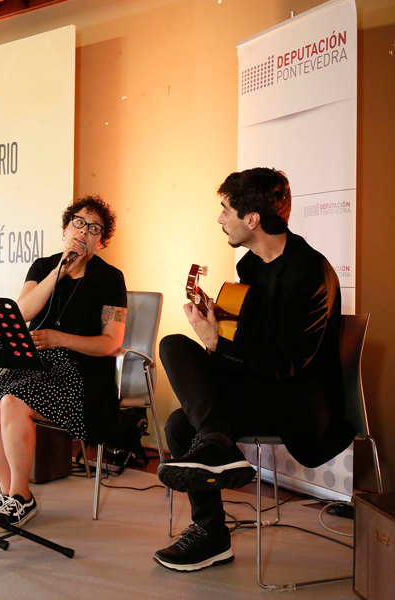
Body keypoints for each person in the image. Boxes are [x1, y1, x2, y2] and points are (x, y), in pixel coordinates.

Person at [153, 168, 355, 572]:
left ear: (252, 219)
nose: (220, 218)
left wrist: (217, 343)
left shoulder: (311, 273)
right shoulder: (251, 267)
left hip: (297, 400)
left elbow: (287, 365)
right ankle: (216, 462)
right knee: (173, 345)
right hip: (257, 384)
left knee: (181, 426)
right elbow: (250, 344)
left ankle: (212, 525)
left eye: (225, 210)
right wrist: (220, 324)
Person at [0, 196, 127, 531]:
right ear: (65, 229)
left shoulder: (110, 278)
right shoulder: (44, 267)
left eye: (94, 229)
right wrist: (60, 272)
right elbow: (20, 313)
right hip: (34, 364)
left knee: (13, 401)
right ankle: (9, 493)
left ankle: (22, 496)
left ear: (101, 242)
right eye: (79, 223)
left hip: (82, 372)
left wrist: (60, 338)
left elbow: (111, 343)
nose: (84, 231)